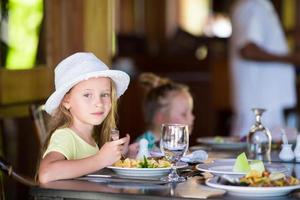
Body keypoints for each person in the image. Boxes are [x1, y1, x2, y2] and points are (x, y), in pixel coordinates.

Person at [38, 52, 132, 184]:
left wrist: (121, 154)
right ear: (66, 101)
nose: (99, 103)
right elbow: (46, 173)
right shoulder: (65, 136)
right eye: (87, 95)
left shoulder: (91, 139)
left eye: (104, 94)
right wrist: (100, 159)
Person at [229, 0, 300, 137]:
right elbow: (248, 50)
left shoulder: (253, 6)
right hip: (260, 103)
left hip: (264, 100)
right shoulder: (254, 7)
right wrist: (291, 59)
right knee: (257, 151)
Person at [136, 73, 195, 151]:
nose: (192, 117)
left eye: (191, 112)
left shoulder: (171, 145)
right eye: (184, 114)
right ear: (160, 117)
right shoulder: (143, 147)